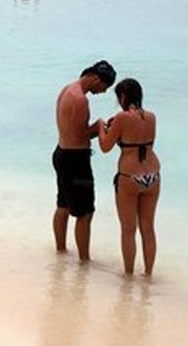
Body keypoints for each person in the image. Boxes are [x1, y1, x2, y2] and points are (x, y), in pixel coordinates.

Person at [52, 60, 116, 262]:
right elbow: (80, 134)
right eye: (104, 87)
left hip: (61, 153)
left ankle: (60, 252)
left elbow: (71, 130)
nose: (103, 92)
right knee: (85, 213)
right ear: (96, 78)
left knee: (63, 204)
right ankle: (84, 261)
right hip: (75, 160)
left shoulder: (67, 90)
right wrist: (99, 127)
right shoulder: (80, 100)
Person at [99, 77, 160, 277]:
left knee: (128, 230)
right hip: (153, 176)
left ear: (123, 96)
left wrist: (101, 126)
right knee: (148, 228)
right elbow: (139, 143)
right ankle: (149, 274)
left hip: (129, 177)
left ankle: (128, 275)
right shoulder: (151, 117)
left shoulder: (122, 118)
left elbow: (105, 146)